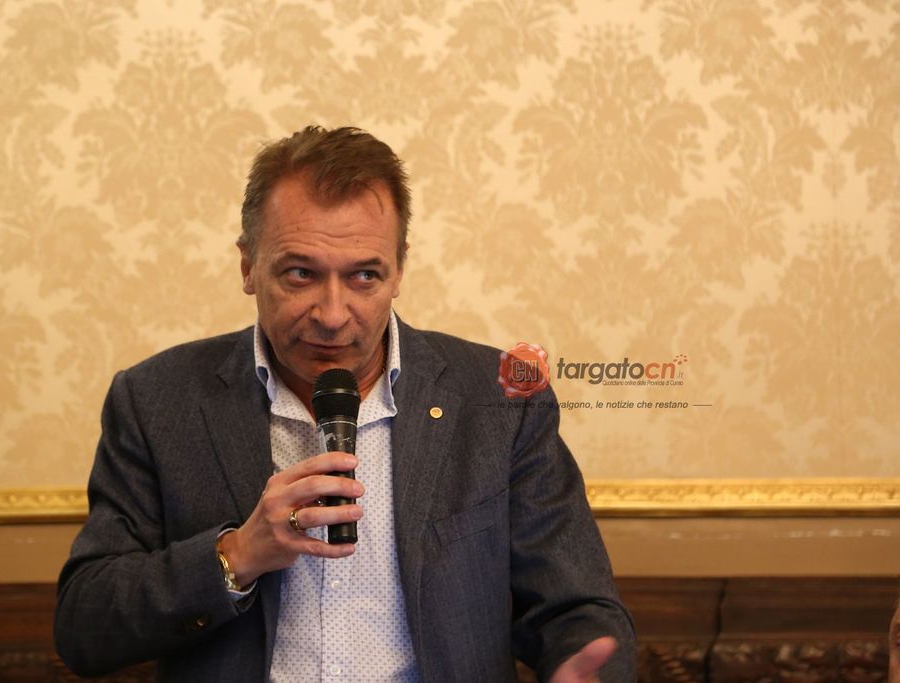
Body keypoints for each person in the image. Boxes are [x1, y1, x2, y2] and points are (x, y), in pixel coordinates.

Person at [54, 125, 636, 682]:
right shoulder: (158, 401)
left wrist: (583, 667)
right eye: (300, 274)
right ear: (248, 265)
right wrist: (236, 554)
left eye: (363, 277)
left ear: (399, 270)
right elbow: (85, 627)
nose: (332, 316)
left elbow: (576, 607)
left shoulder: (498, 399)